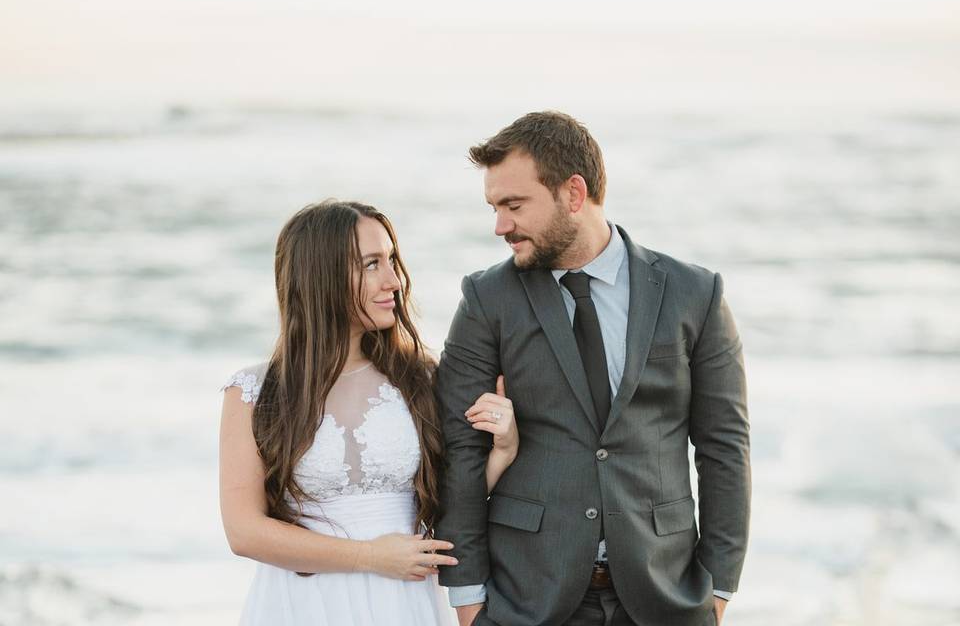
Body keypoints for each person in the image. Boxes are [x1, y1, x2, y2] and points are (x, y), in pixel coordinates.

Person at [435, 112, 751, 626]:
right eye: (494, 208)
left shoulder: (695, 293)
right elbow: (458, 450)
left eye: (514, 206)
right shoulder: (485, 299)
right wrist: (468, 599)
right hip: (527, 599)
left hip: (666, 596)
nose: (500, 226)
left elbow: (724, 446)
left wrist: (717, 587)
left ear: (574, 194)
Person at [218, 200, 519, 626]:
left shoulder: (422, 377)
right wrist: (369, 557)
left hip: (403, 602)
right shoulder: (254, 391)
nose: (394, 280)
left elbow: (446, 504)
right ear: (321, 276)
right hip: (300, 605)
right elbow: (244, 532)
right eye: (372, 264)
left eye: (392, 260)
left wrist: (501, 453)